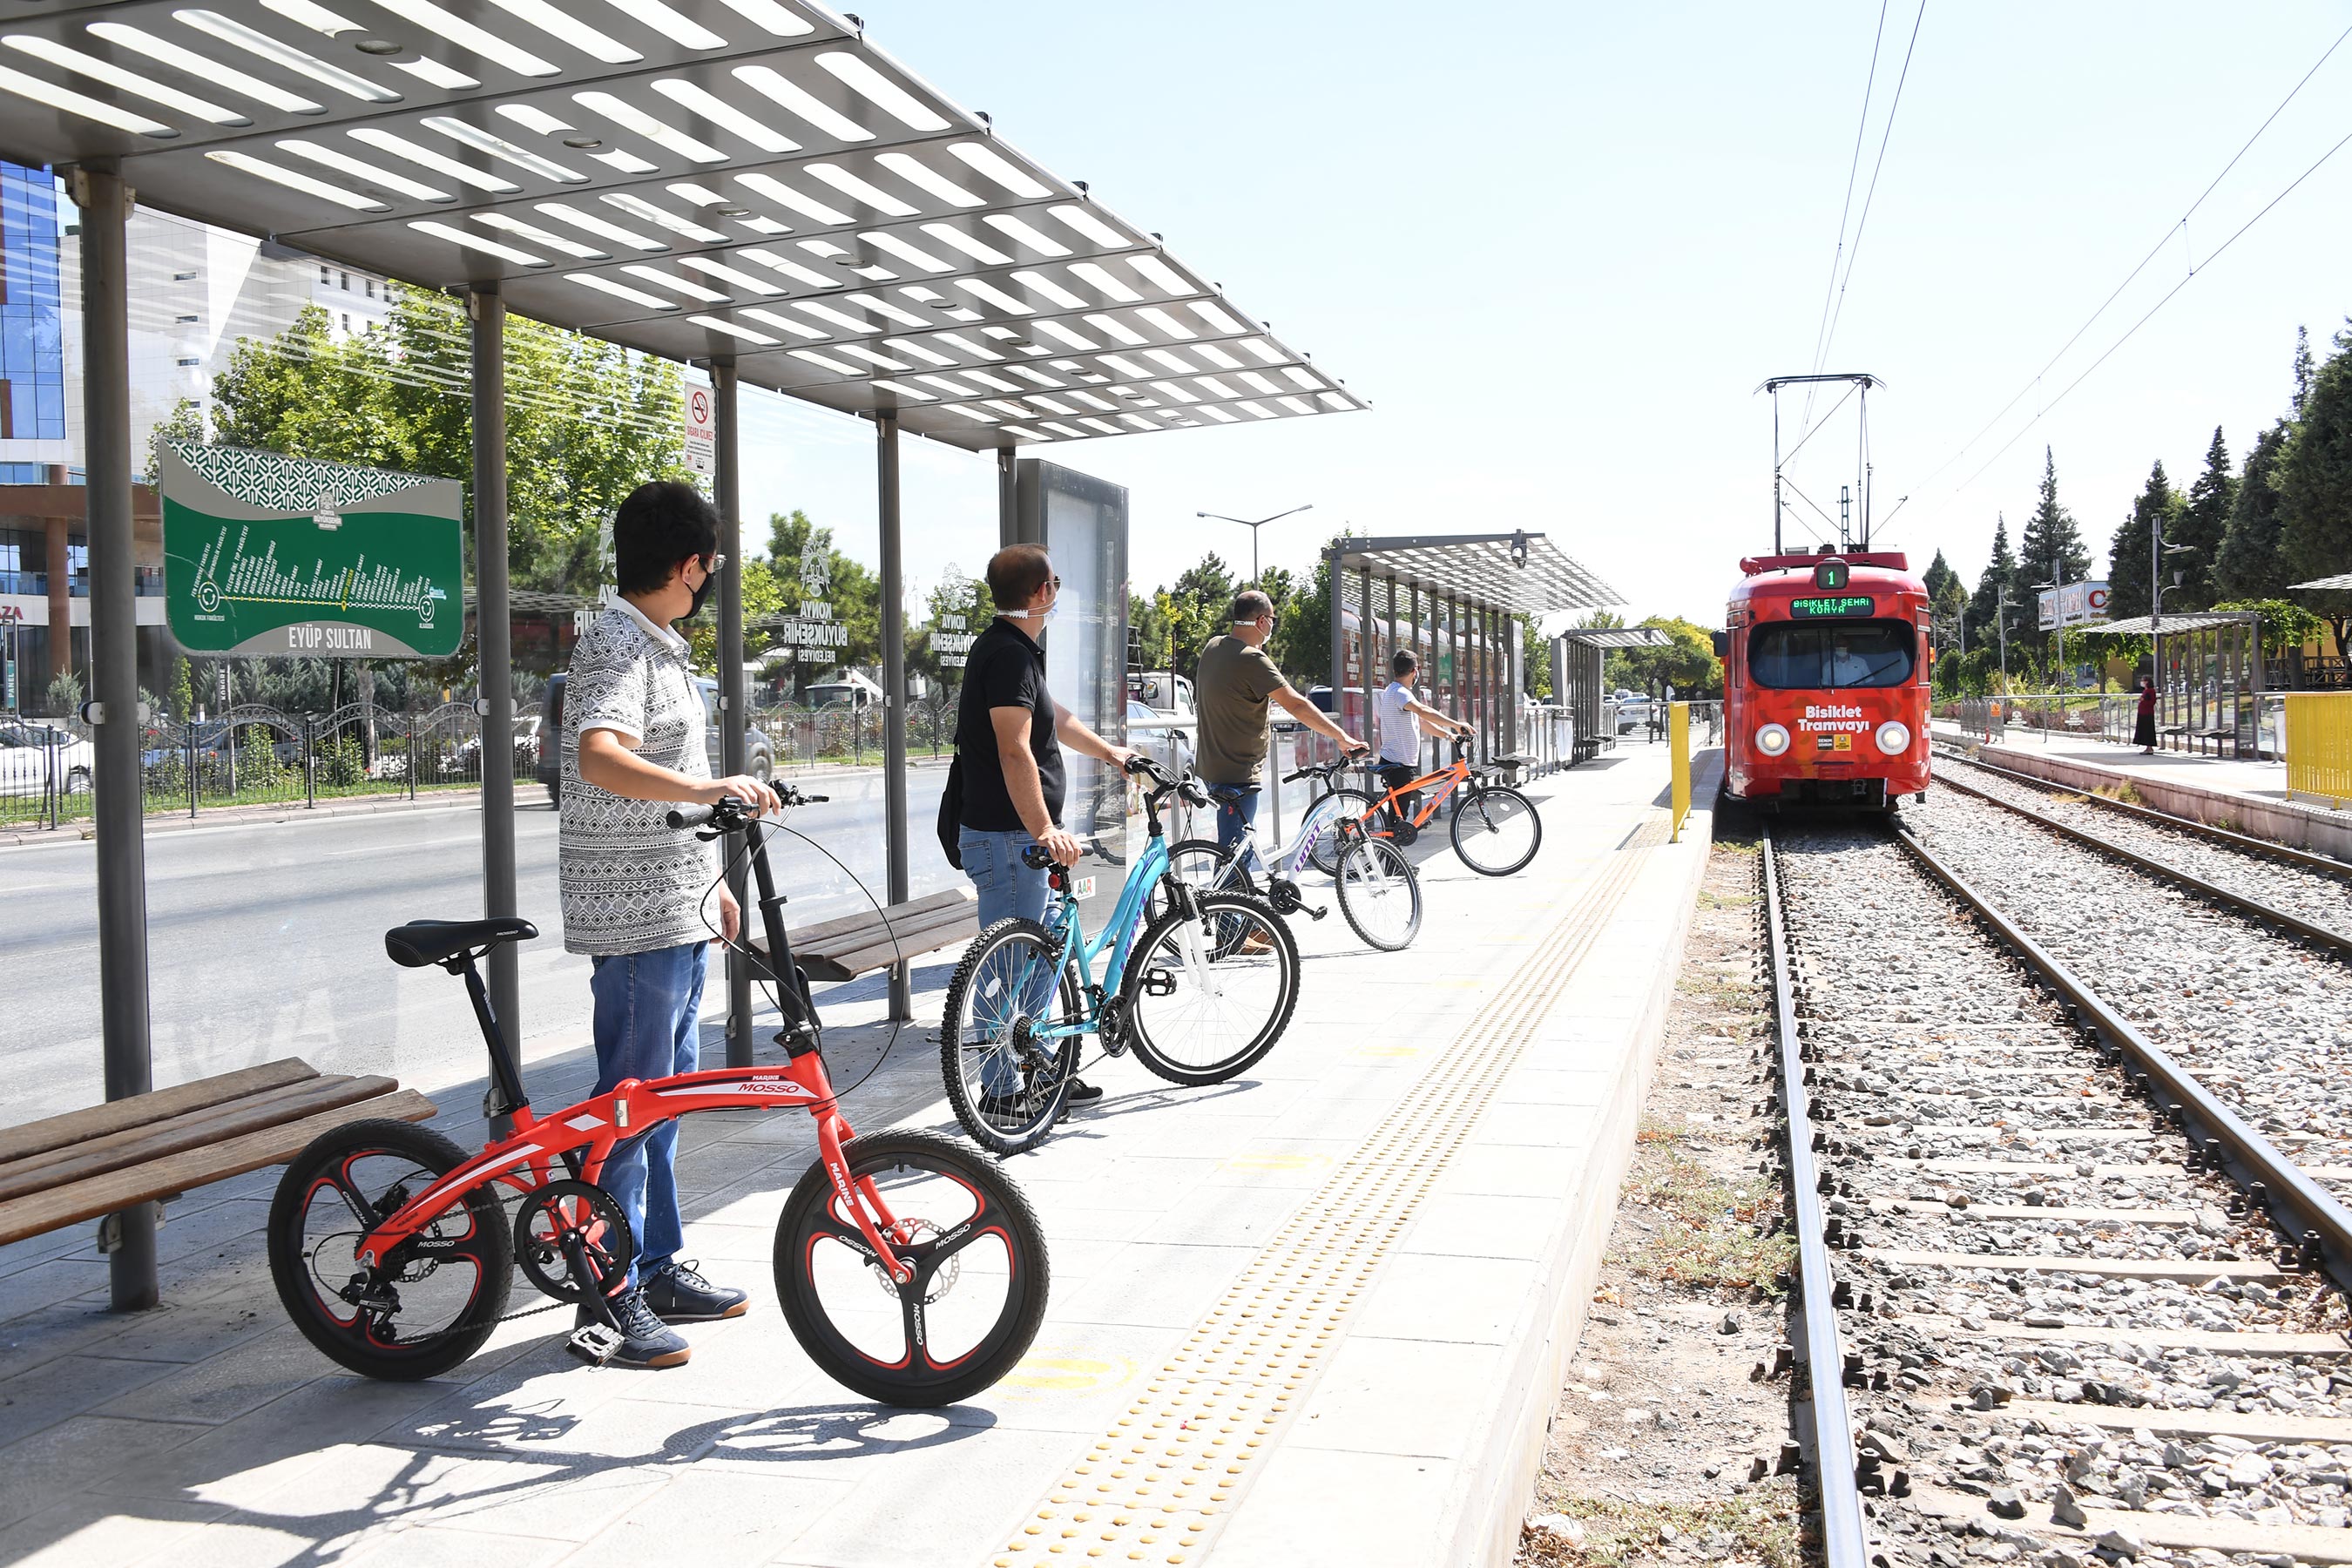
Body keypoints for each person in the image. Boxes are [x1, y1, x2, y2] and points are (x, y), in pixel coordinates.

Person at [560, 479, 781, 1370]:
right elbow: (600, 753)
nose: (709, 581)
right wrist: (707, 790)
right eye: (710, 568)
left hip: (670, 900)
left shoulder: (655, 642)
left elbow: (669, 762)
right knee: (631, 1101)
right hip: (632, 914)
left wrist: (706, 880)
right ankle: (607, 1298)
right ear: (689, 565)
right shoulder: (616, 642)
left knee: (667, 1096)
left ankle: (656, 1263)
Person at [955, 543, 1135, 1108]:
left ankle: (1036, 1065)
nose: (1057, 590)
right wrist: (1042, 830)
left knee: (1046, 950)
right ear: (1042, 592)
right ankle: (1001, 1093)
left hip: (1019, 841)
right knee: (1008, 969)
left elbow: (1057, 721)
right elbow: (1014, 751)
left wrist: (1114, 754)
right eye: (1054, 581)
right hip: (1012, 842)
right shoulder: (1007, 655)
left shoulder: (1016, 652)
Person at [1195, 590, 1369, 872]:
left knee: (1235, 845)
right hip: (1239, 771)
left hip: (1213, 766)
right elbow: (1296, 705)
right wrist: (1342, 737)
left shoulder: (1214, 646)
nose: (1273, 626)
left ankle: (1237, 911)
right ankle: (1230, 915)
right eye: (1272, 620)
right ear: (1262, 621)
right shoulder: (1252, 660)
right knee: (1236, 856)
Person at [1375, 649, 1470, 836]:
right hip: (1398, 764)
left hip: (1399, 762)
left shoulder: (1395, 692)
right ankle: (1390, 863)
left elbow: (1420, 721)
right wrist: (1456, 724)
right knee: (1397, 819)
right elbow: (1422, 711)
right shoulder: (1400, 693)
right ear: (1414, 671)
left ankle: (1394, 863)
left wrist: (1448, 735)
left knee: (1398, 817)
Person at [2134, 674, 2159, 754]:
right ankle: (2148, 747)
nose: (2142, 682)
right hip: (2143, 713)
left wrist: (2143, 700)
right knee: (2144, 730)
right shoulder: (2146, 691)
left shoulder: (2150, 691)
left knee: (2148, 730)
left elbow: (2152, 702)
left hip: (2147, 714)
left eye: (2143, 680)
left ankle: (2149, 747)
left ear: (2147, 682)